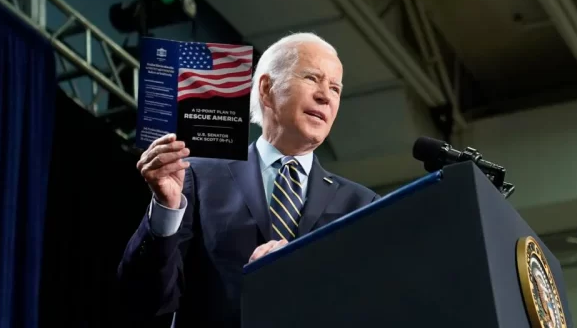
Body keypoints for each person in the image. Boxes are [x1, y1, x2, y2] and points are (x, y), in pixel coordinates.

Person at [115, 32, 380, 328]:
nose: (325, 96)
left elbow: (371, 307)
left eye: (335, 88)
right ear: (267, 89)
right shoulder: (196, 175)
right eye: (312, 78)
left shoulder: (362, 205)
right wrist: (166, 210)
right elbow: (143, 299)